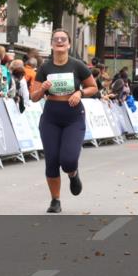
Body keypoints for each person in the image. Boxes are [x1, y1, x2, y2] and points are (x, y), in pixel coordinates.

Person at [30, 29, 99, 213]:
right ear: (52, 44)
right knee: (52, 161)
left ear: (69, 44)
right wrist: (42, 89)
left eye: (63, 39)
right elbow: (33, 97)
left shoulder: (77, 65)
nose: (59, 41)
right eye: (56, 39)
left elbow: (93, 87)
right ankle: (55, 200)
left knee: (68, 160)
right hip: (51, 117)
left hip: (73, 117)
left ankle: (73, 174)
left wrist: (80, 92)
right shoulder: (45, 68)